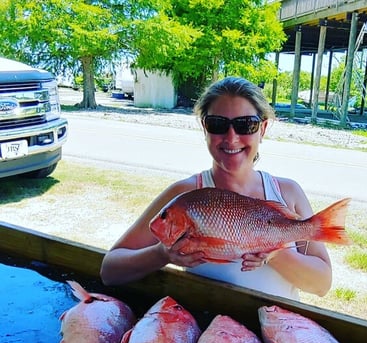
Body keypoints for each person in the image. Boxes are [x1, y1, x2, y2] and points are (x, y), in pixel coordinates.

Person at [100, 76, 333, 300]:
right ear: (204, 128)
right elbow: (110, 270)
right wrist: (161, 254)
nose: (231, 138)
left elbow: (322, 285)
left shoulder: (287, 193)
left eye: (245, 125)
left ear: (262, 129)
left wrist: (275, 253)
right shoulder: (185, 196)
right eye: (217, 124)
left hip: (277, 333)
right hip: (212, 333)